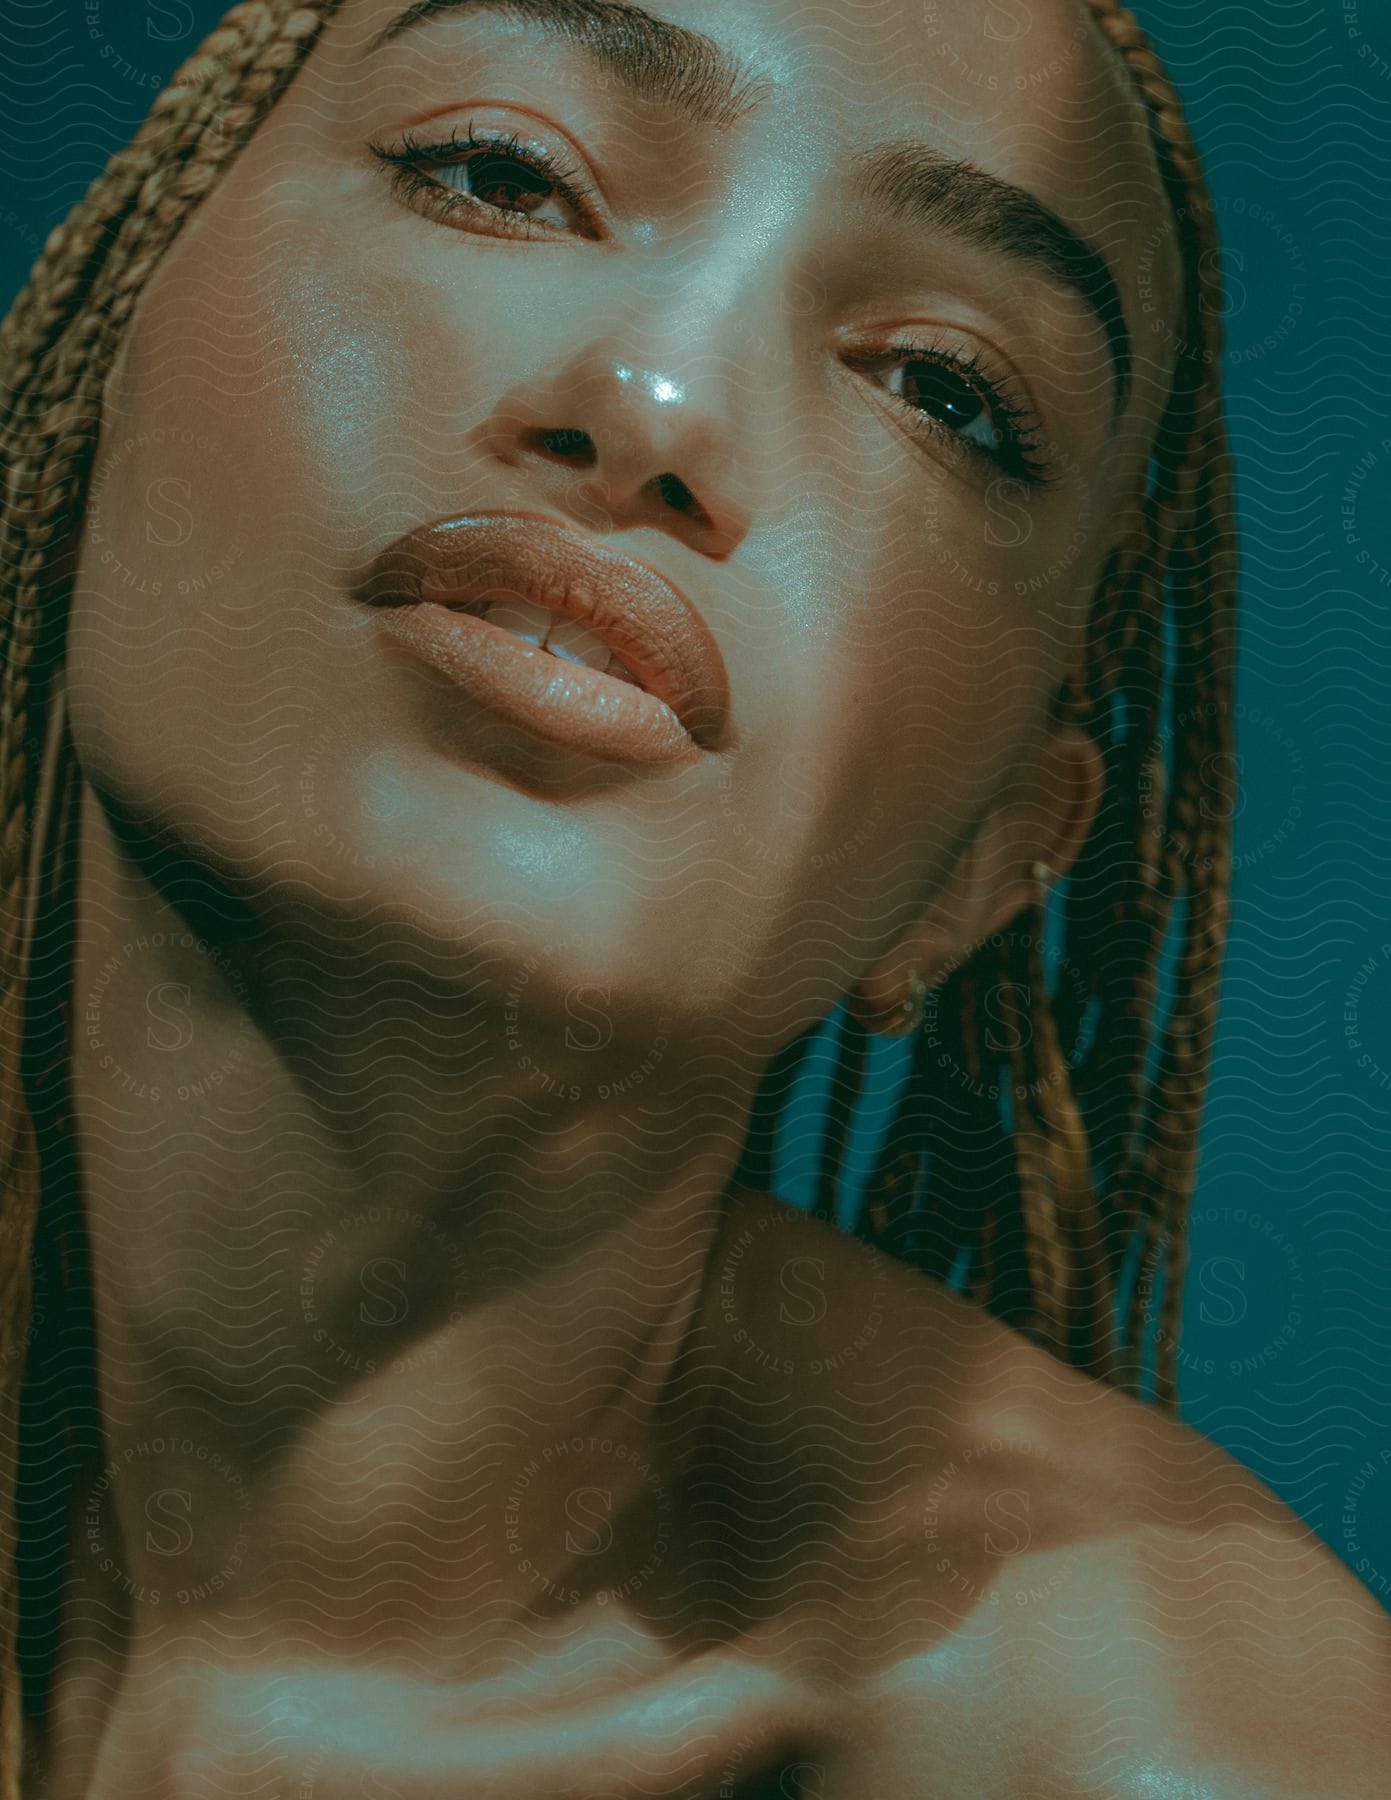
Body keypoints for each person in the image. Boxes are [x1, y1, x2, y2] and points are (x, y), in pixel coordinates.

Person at [0, 0, 1386, 1793]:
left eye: (942, 387)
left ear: (981, 862)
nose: (657, 402)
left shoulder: (1159, 1755)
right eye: (504, 175)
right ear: (86, 378)